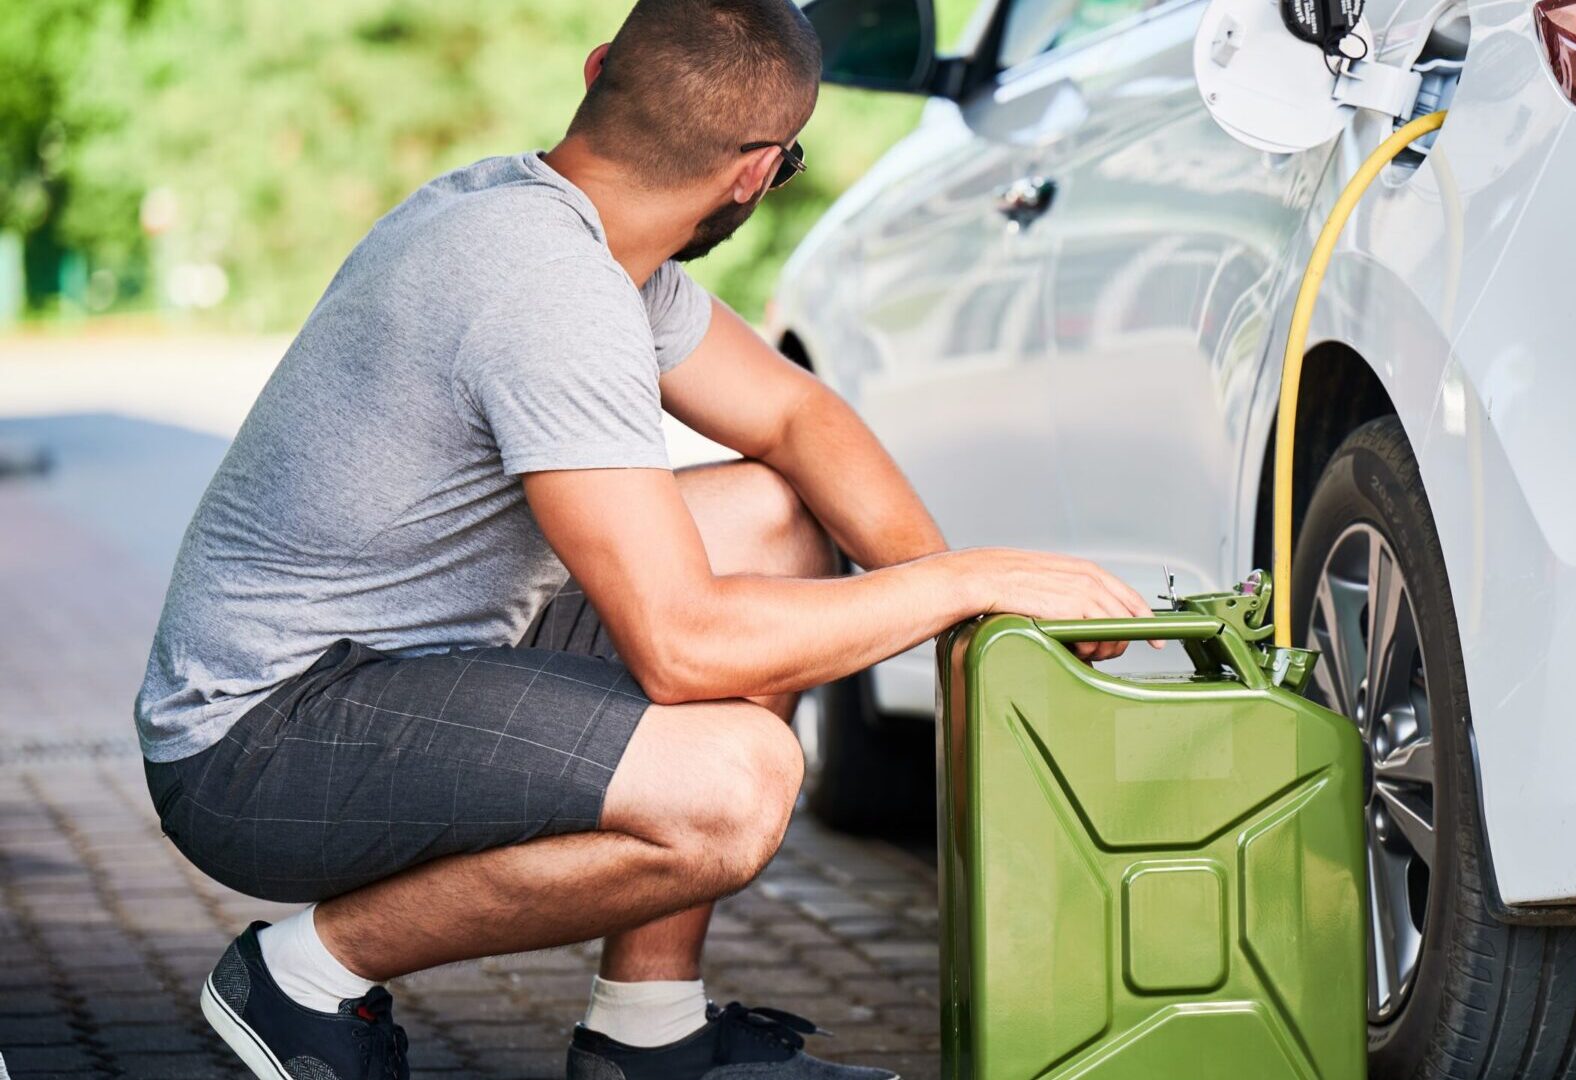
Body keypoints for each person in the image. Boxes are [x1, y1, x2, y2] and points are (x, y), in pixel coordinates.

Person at [133, 0, 1155, 1077]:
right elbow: (683, 645)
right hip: (255, 746)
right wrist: (968, 583)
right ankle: (304, 977)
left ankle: (647, 1030)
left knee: (772, 517)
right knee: (737, 785)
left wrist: (968, 620)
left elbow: (798, 418)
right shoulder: (549, 288)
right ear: (756, 173)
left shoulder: (556, 227)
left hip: (393, 674)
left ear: (598, 71)